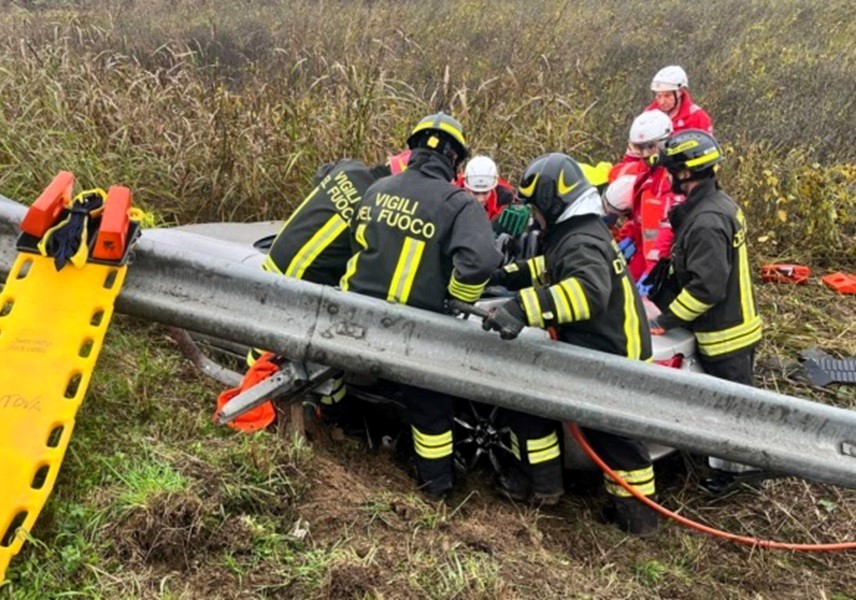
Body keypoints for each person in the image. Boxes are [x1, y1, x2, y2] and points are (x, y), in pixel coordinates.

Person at [483, 153, 658, 535]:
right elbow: (551, 267)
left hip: (610, 358)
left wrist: (521, 307)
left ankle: (637, 520)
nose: (533, 218)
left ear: (550, 201)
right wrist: (503, 275)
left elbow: (587, 294)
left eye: (535, 208)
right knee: (532, 404)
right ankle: (545, 486)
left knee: (616, 442)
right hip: (604, 350)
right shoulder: (578, 232)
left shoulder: (579, 239)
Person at [341, 111, 501, 498]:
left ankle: (341, 444)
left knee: (340, 383)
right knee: (431, 410)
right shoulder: (460, 204)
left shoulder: (377, 189)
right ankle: (437, 488)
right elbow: (481, 261)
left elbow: (356, 244)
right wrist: (459, 302)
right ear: (455, 160)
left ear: (411, 148)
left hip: (356, 322)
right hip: (416, 334)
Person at [649, 129, 764, 494]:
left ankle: (739, 477)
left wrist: (664, 321)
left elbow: (706, 288)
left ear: (685, 173)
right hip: (733, 325)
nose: (669, 178)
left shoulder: (707, 221)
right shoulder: (715, 207)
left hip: (725, 334)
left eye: (672, 171)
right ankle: (724, 464)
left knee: (733, 409)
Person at [251, 156, 399, 418]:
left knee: (267, 339)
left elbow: (320, 175)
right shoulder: (374, 204)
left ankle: (325, 409)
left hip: (276, 261)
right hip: (302, 281)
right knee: (319, 351)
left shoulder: (350, 169)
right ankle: (317, 410)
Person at [604, 110, 679, 289]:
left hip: (662, 260)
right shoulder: (645, 174)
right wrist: (628, 236)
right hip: (643, 251)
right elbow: (640, 218)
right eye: (640, 148)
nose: (645, 153)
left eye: (650, 146)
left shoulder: (672, 178)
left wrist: (652, 270)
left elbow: (667, 230)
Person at [645, 65, 713, 134]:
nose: (662, 102)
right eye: (658, 96)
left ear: (680, 91)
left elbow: (708, 143)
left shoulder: (698, 118)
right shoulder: (648, 115)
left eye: (667, 96)